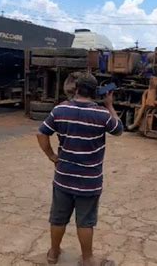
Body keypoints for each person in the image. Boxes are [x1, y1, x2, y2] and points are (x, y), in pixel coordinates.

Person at [37, 73, 123, 266]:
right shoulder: (101, 114)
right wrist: (109, 105)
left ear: (76, 89)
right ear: (95, 92)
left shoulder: (60, 110)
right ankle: (87, 259)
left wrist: (52, 156)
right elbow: (118, 129)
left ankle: (53, 253)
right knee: (85, 222)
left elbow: (41, 133)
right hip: (89, 181)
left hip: (63, 177)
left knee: (58, 218)